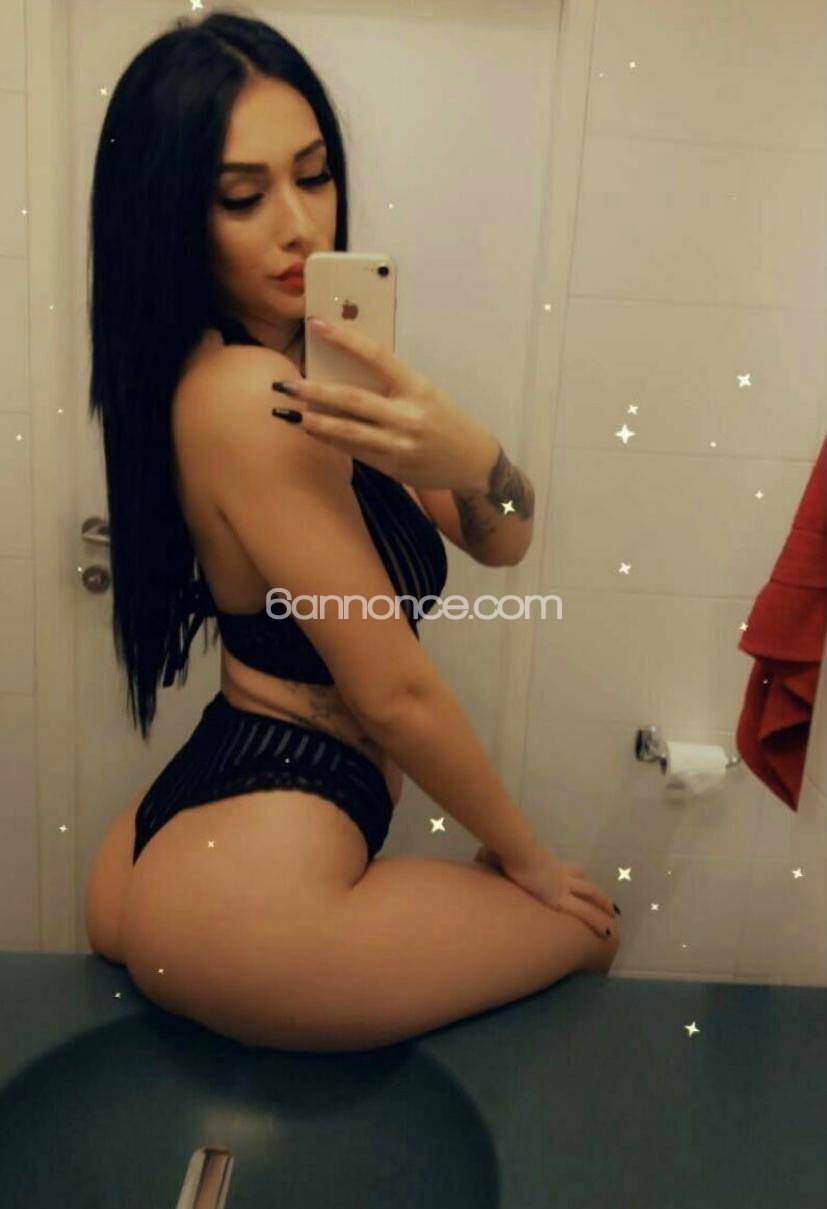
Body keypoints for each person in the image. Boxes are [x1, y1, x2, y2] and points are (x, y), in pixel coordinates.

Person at [83, 9, 620, 1053]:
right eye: (243, 197)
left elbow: (503, 539)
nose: (299, 225)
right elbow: (393, 694)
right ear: (172, 213)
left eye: (314, 175)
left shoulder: (312, 366)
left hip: (209, 812)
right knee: (590, 933)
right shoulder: (245, 397)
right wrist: (525, 860)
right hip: (256, 878)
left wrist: (474, 458)